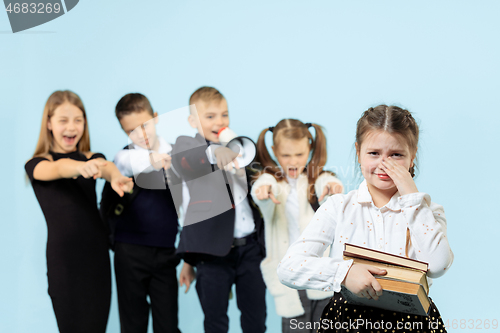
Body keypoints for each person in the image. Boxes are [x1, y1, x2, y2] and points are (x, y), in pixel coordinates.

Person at [277, 105, 453, 333]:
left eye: (396, 155)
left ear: (412, 157)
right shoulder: (338, 207)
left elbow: (438, 265)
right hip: (348, 322)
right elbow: (288, 267)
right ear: (358, 152)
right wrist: (344, 272)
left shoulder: (428, 211)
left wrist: (412, 197)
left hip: (411, 322)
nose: (384, 164)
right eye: (374, 153)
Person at [24, 90, 133, 333]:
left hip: (96, 259)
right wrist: (83, 167)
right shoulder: (37, 164)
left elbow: (107, 168)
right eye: (63, 120)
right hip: (63, 262)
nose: (71, 127)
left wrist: (116, 177)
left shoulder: (93, 158)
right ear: (49, 123)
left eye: (78, 120)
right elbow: (60, 168)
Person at [169, 86, 266, 333]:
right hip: (212, 254)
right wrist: (216, 152)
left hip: (250, 249)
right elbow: (187, 160)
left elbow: (257, 175)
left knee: (256, 320)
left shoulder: (238, 146)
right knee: (215, 322)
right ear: (193, 120)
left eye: (224, 114)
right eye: (210, 116)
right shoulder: (186, 145)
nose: (219, 121)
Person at [251, 119, 344, 333]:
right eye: (285, 155)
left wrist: (332, 186)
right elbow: (263, 187)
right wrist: (263, 191)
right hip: (292, 272)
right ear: (274, 151)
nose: (293, 162)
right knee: (296, 327)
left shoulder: (316, 179)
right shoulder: (272, 182)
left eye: (299, 155)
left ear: (309, 149)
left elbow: (325, 183)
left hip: (320, 270)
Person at [112, 93, 191, 333]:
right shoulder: (125, 157)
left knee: (167, 324)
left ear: (156, 118)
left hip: (167, 253)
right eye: (131, 131)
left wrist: (188, 259)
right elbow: (126, 161)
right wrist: (152, 159)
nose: (140, 135)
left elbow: (188, 207)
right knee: (133, 323)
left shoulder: (178, 152)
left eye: (144, 125)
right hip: (129, 252)